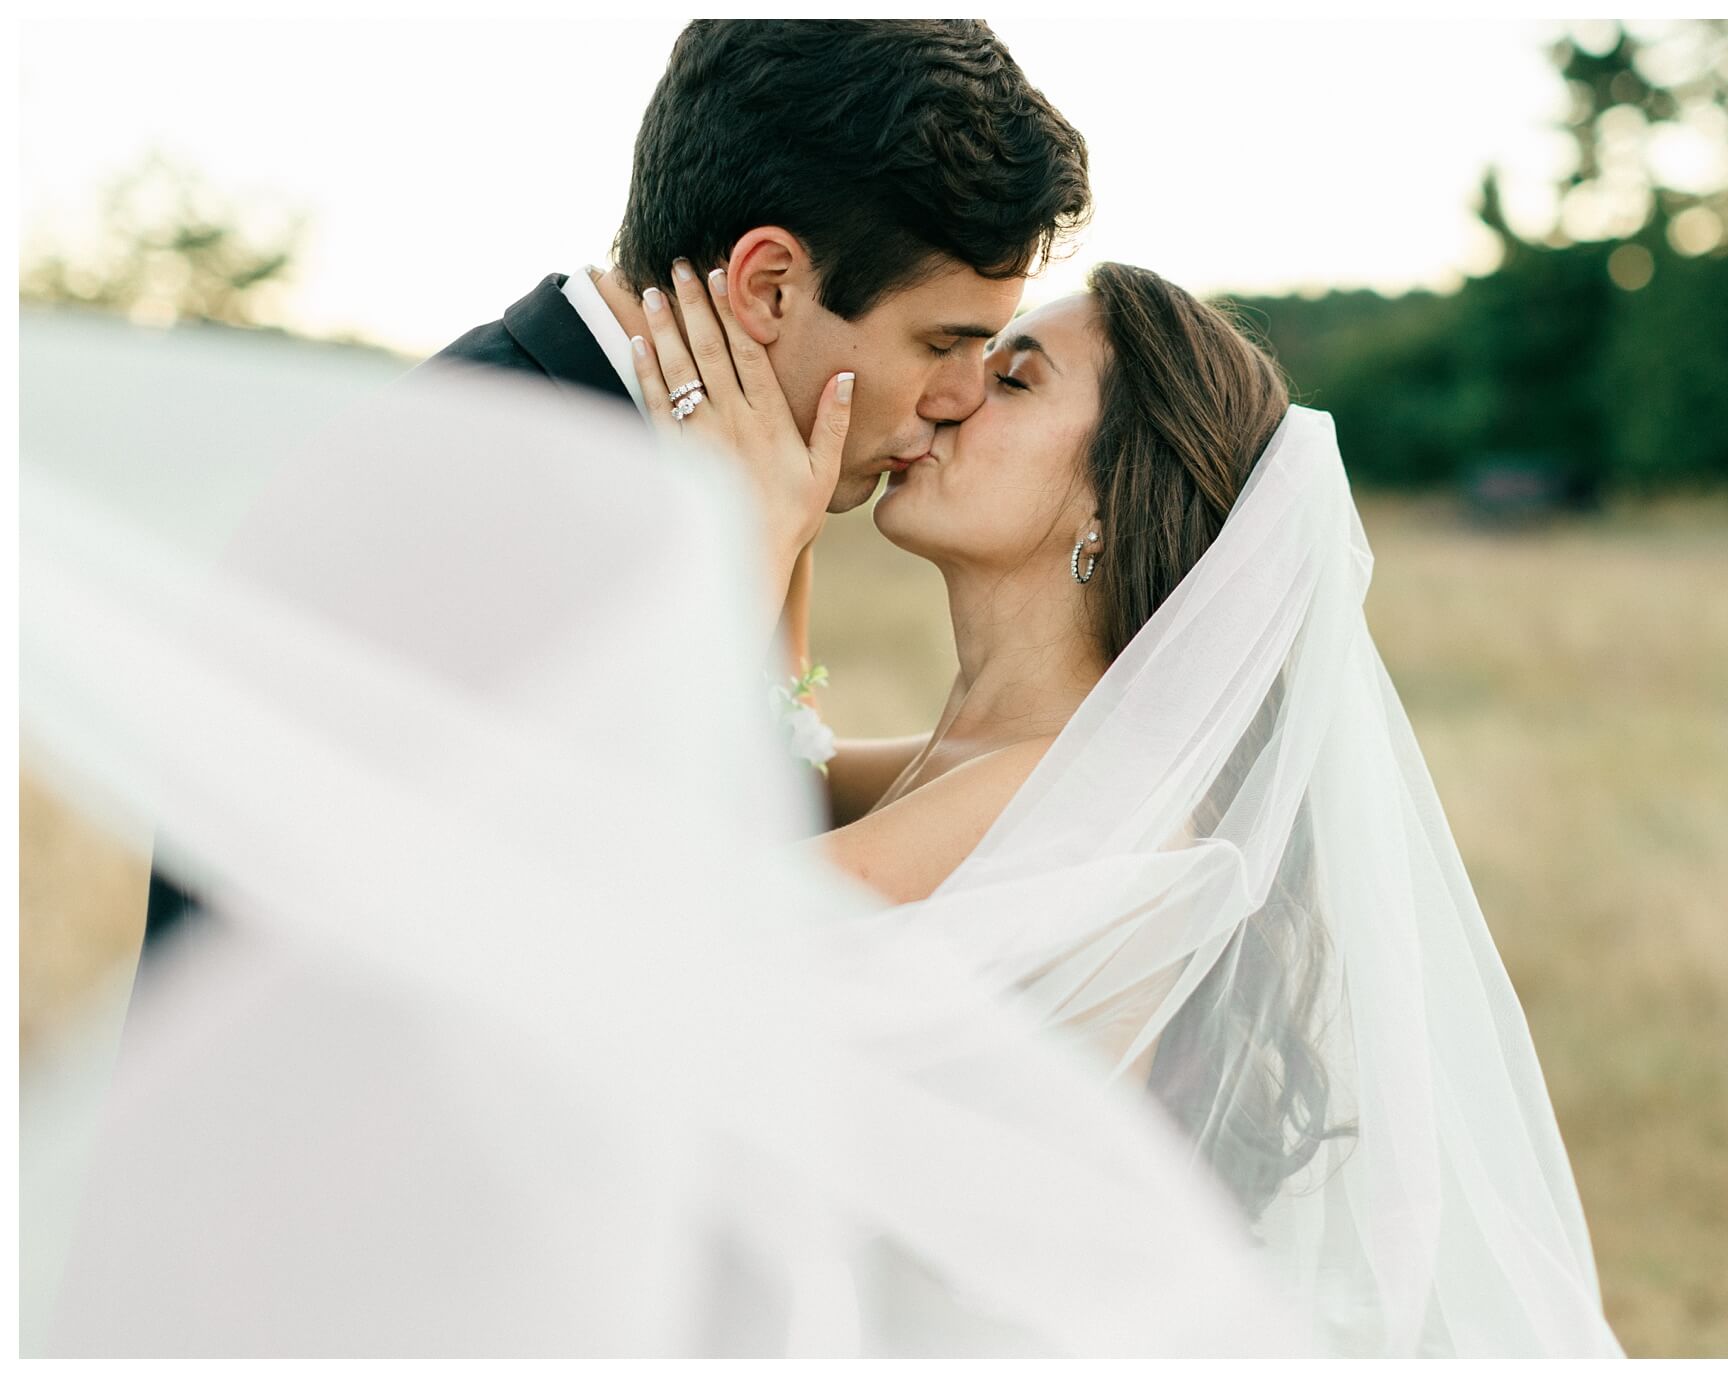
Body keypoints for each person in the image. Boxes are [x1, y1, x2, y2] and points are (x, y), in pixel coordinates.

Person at [631, 260, 1626, 1354]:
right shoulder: (999, 760)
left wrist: (734, 541)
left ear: (1111, 491)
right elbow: (772, 764)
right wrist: (791, 519)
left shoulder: (1076, 797)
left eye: (1011, 382)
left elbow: (667, 918)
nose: (949, 396)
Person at [137, 17, 1091, 949]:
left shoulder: (681, 473)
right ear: (769, 287)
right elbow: (530, 936)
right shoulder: (488, 488)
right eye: (941, 343)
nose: (962, 398)